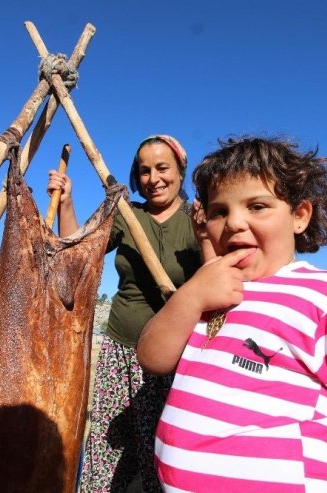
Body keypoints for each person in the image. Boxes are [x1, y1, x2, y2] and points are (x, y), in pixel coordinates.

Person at [137, 136, 327, 492]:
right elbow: (152, 358)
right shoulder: (208, 293)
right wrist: (190, 296)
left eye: (257, 206)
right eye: (219, 211)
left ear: (299, 216)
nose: (234, 223)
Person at [47, 135, 205, 492]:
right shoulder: (127, 214)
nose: (153, 178)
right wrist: (67, 200)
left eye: (162, 168)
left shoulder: (197, 217)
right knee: (108, 441)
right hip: (120, 350)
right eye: (145, 171)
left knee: (163, 446)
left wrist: (204, 232)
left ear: (181, 170)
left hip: (175, 356)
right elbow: (78, 248)